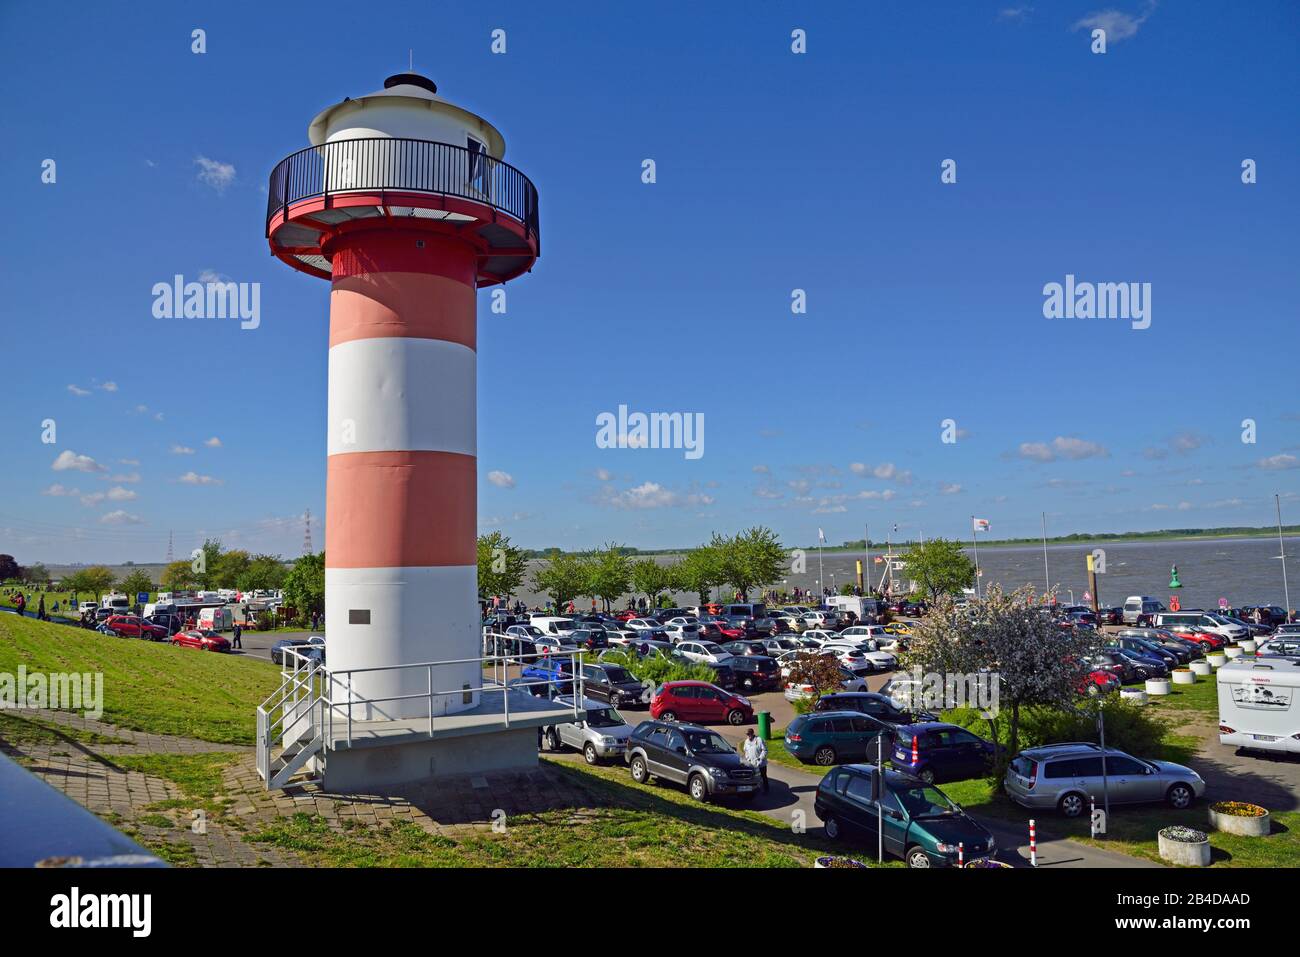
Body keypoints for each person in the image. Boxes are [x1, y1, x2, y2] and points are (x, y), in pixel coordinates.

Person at [742, 728, 769, 794]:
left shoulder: (759, 740)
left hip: (761, 763)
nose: (748, 736)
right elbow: (745, 751)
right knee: (753, 777)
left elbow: (765, 750)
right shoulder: (746, 741)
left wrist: (760, 758)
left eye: (749, 734)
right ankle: (753, 790)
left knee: (763, 776)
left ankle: (766, 790)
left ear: (752, 734)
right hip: (752, 764)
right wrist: (747, 758)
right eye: (747, 734)